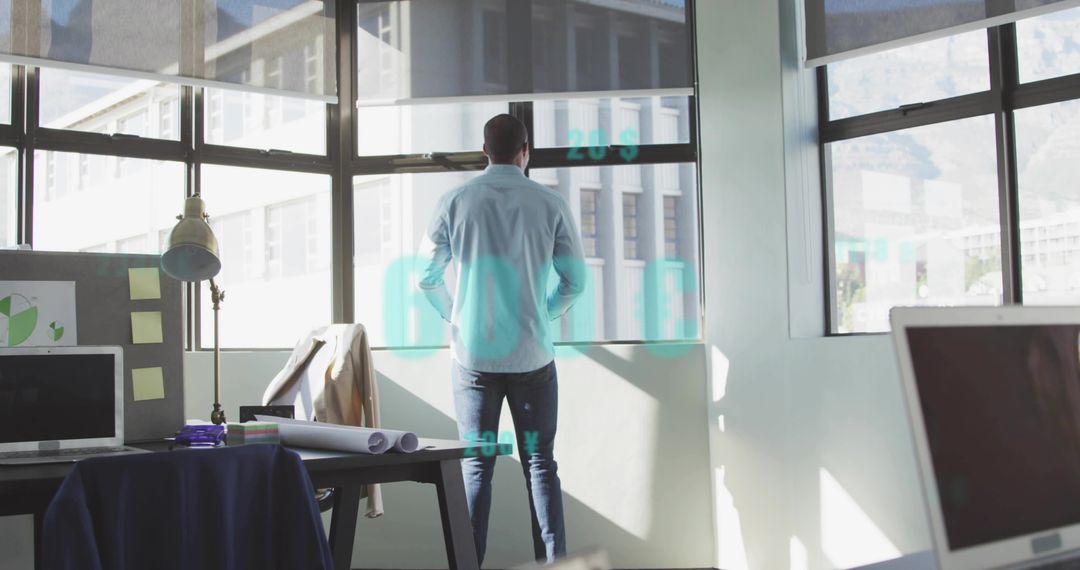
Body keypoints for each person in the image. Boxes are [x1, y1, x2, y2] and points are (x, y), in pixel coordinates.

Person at [418, 114, 586, 564]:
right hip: (533, 355)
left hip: (474, 358)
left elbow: (426, 277)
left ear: (484, 150)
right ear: (525, 150)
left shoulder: (456, 201)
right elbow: (575, 282)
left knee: (476, 467)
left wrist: (457, 317)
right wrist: (543, 315)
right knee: (540, 465)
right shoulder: (550, 204)